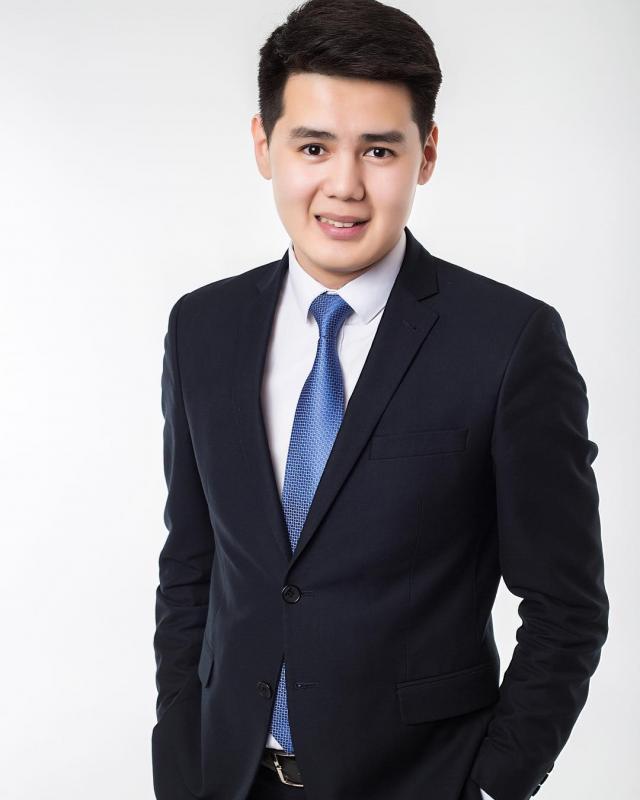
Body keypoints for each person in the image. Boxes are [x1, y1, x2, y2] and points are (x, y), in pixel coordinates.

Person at [151, 1, 609, 798]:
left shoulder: (508, 341)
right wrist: (179, 759)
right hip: (227, 778)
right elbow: (191, 567)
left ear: (425, 154)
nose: (345, 186)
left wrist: (494, 783)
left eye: (379, 149)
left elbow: (566, 605)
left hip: (420, 780)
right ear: (264, 145)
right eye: (314, 146)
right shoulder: (203, 327)